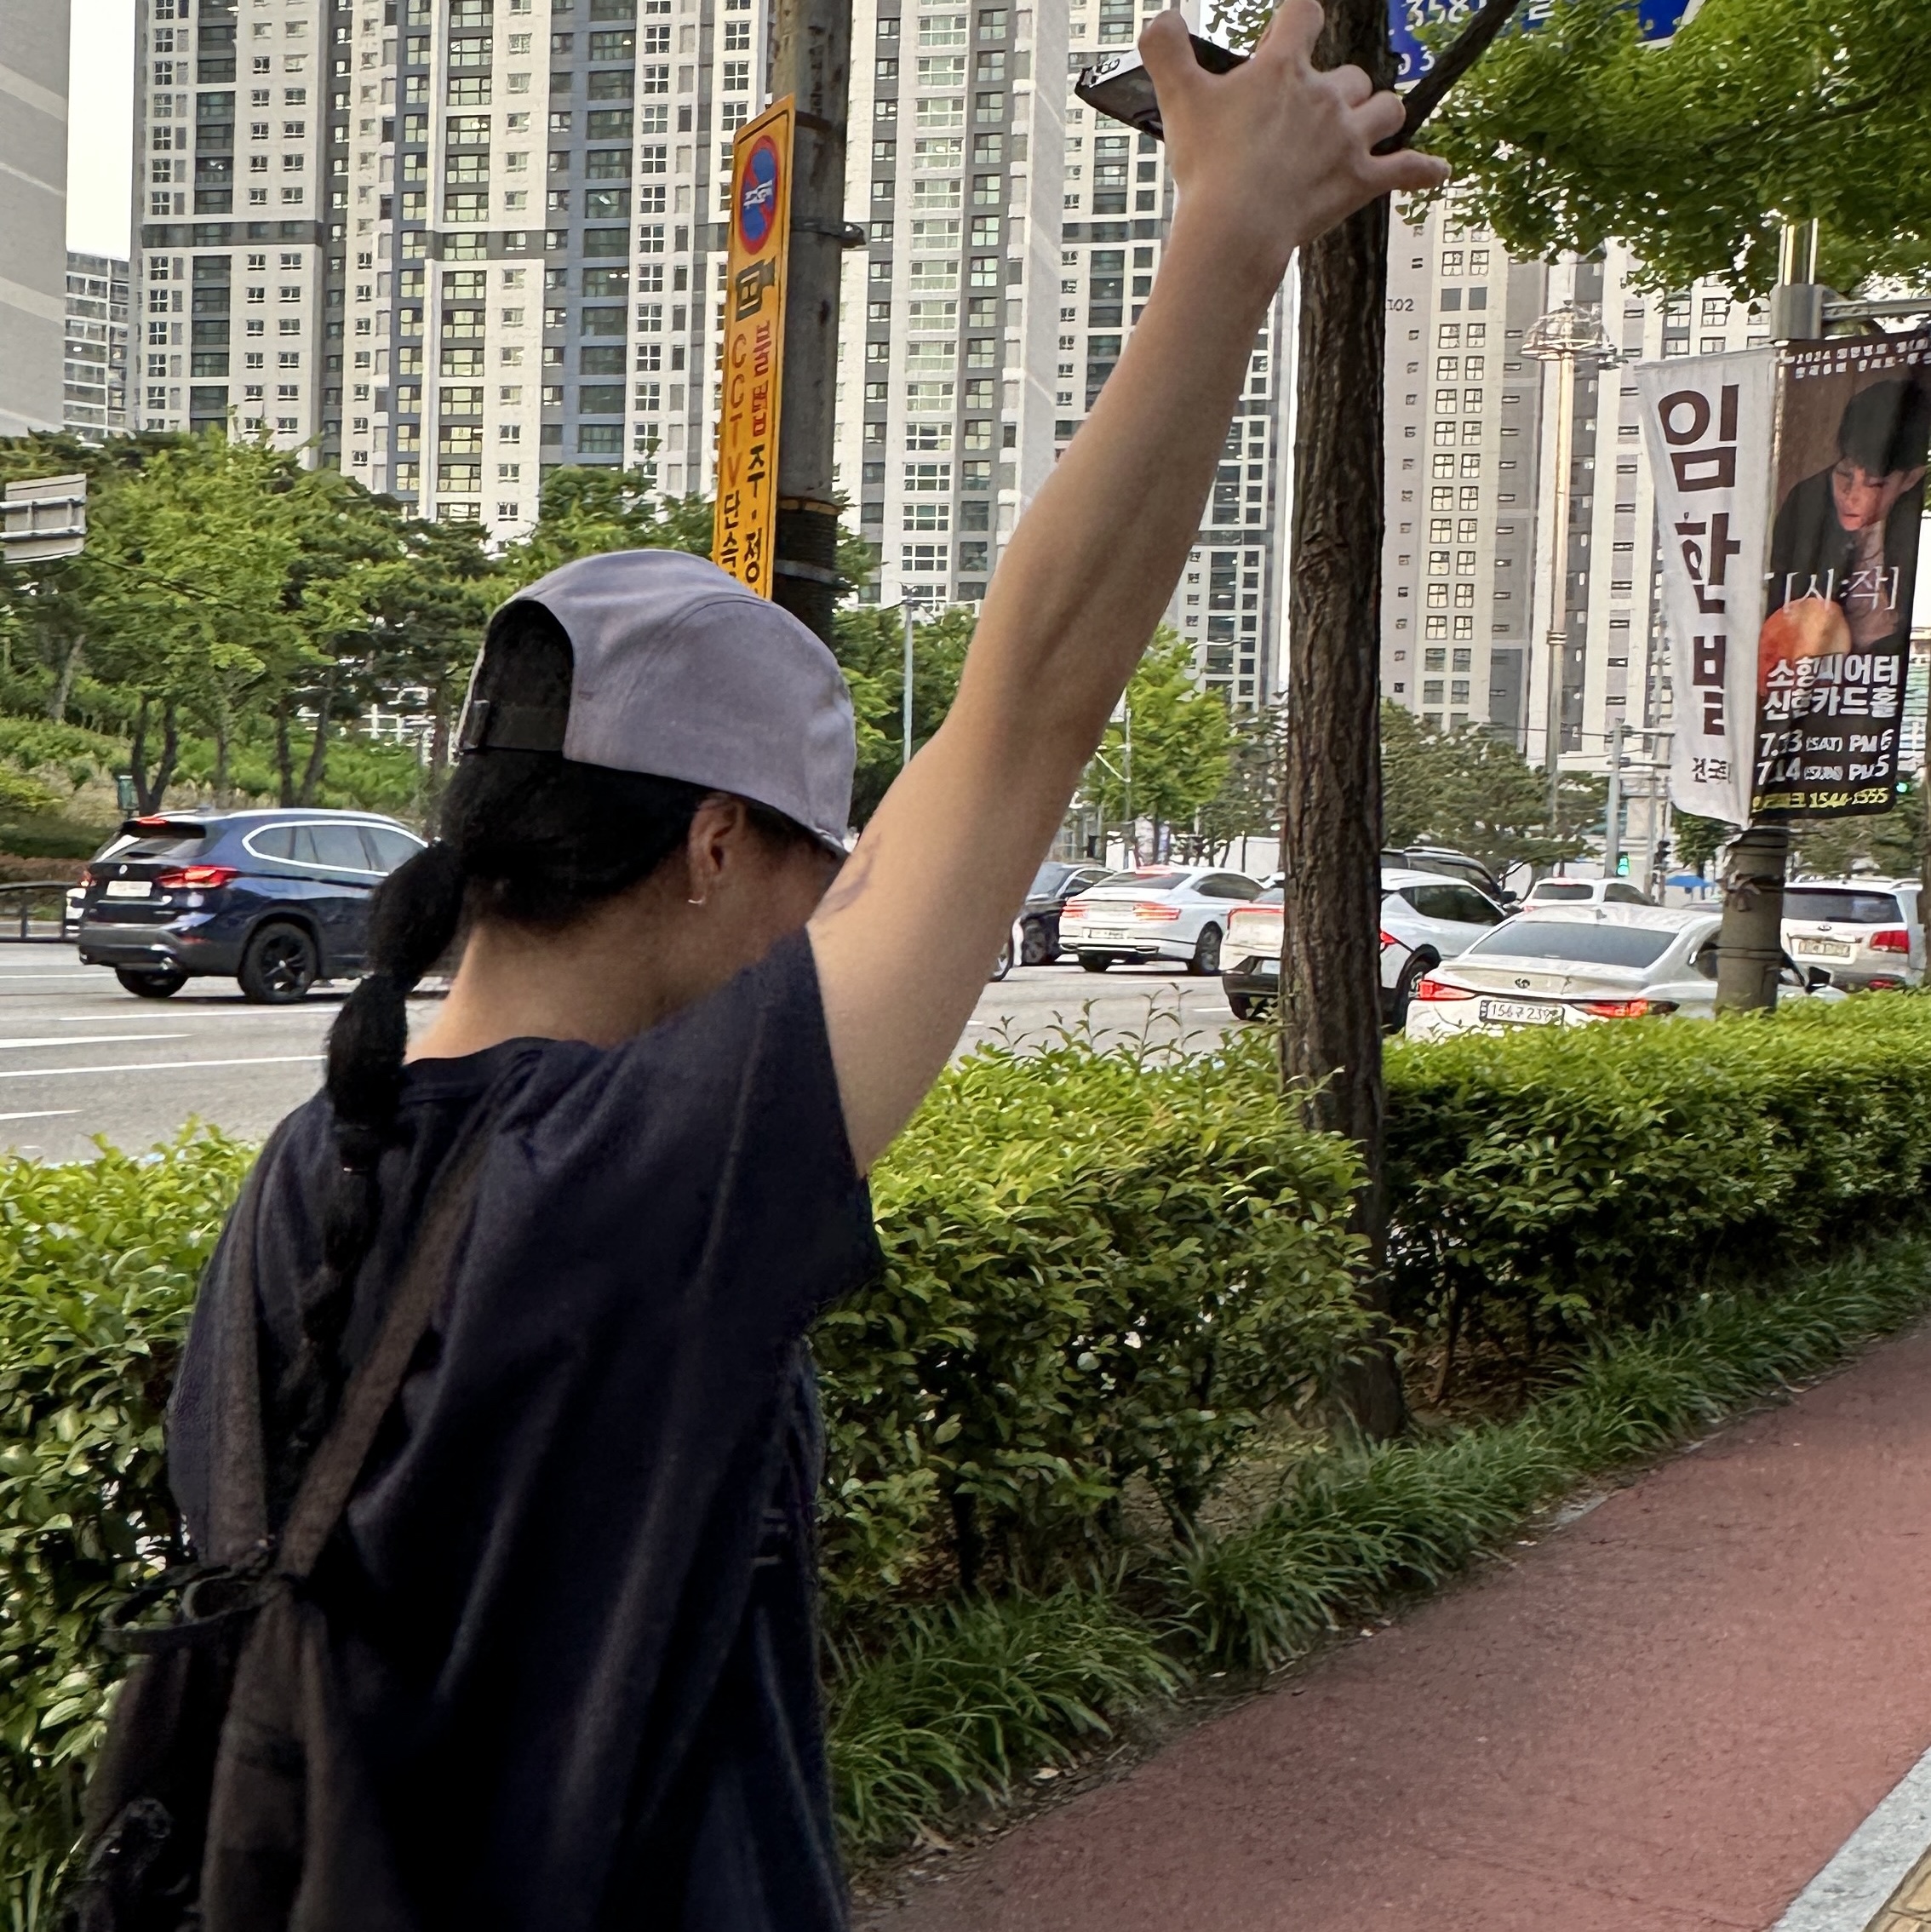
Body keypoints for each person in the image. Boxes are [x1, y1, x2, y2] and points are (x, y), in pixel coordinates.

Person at [159, 9, 1447, 1927]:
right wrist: (1228, 241)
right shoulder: (637, 1182)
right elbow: (1029, 705)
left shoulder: (306, 1177)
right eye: (820, 863)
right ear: (712, 845)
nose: (838, 912)